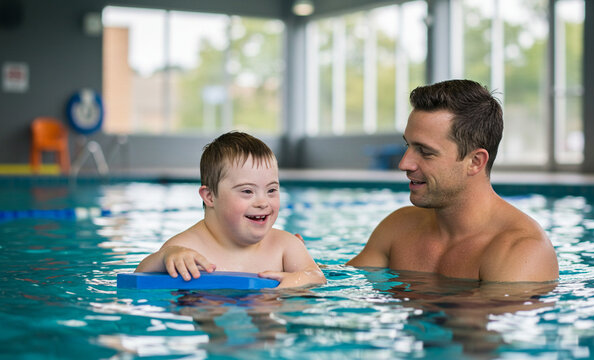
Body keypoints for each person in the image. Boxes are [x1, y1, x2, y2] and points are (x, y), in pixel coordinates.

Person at [347, 79, 559, 282]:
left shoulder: (521, 251)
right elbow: (343, 285)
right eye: (408, 146)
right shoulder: (399, 227)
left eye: (425, 152)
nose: (404, 164)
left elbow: (474, 318)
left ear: (475, 161)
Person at [136, 131, 326, 288]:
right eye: (247, 191)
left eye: (271, 190)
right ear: (210, 196)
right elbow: (139, 277)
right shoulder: (186, 248)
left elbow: (317, 276)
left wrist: (296, 281)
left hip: (267, 315)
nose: (263, 202)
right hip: (210, 313)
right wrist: (164, 257)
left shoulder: (284, 245)